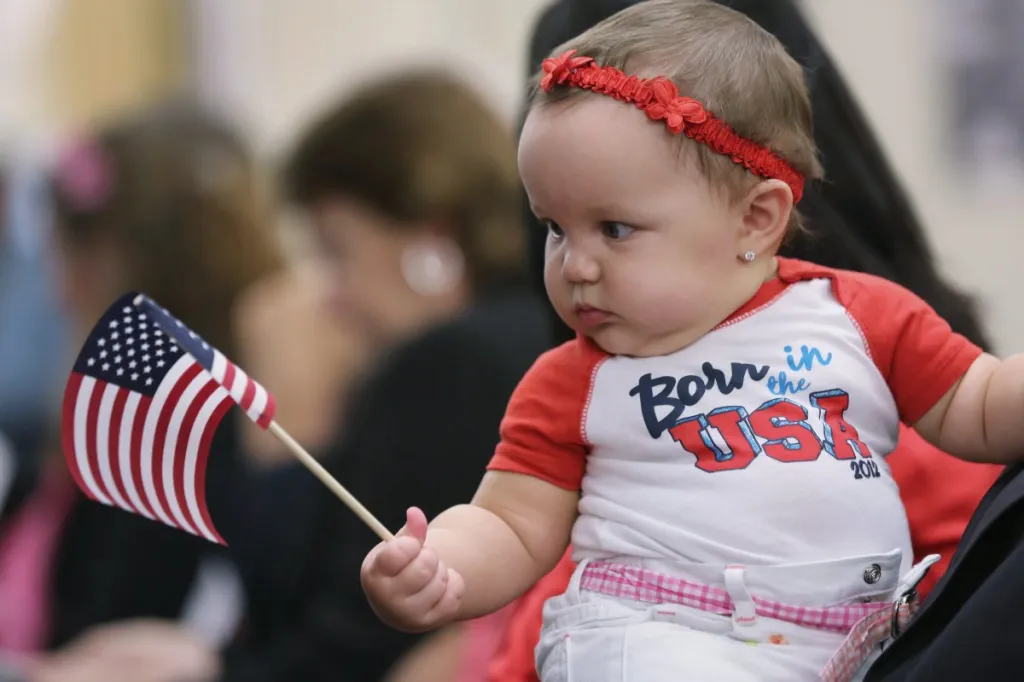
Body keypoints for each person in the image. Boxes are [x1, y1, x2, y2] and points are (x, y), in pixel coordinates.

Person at [359, 2, 1024, 681]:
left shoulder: (855, 315)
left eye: (614, 229)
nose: (574, 264)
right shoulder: (577, 381)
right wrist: (441, 564)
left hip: (847, 644)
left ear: (756, 220)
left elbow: (976, 405)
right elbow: (511, 525)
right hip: (657, 633)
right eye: (555, 227)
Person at [0, 100, 285, 682]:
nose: (55, 290)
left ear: (112, 262)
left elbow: (104, 638)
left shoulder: (159, 439)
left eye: (67, 256)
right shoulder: (95, 434)